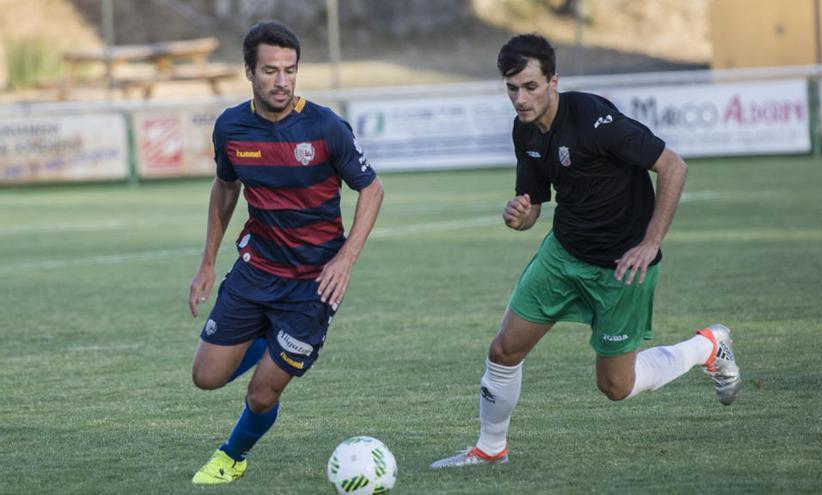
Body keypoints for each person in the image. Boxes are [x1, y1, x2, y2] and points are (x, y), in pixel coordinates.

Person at [430, 34, 741, 469]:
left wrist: (650, 242)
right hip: (563, 255)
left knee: (616, 387)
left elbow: (673, 166)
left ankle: (707, 347)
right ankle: (490, 449)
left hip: (621, 267)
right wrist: (519, 214)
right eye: (512, 88)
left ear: (554, 80)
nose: (521, 99)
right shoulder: (525, 131)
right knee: (503, 350)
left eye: (531, 86)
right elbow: (532, 206)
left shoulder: (595, 120)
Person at [187, 20, 383, 484]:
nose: (282, 81)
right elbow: (225, 188)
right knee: (206, 376)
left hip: (314, 284)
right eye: (271, 71)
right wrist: (208, 262)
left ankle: (231, 456)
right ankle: (269, 345)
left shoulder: (326, 127)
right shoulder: (231, 127)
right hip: (256, 271)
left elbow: (372, 190)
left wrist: (346, 258)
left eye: (290, 71)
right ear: (249, 73)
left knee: (260, 395)